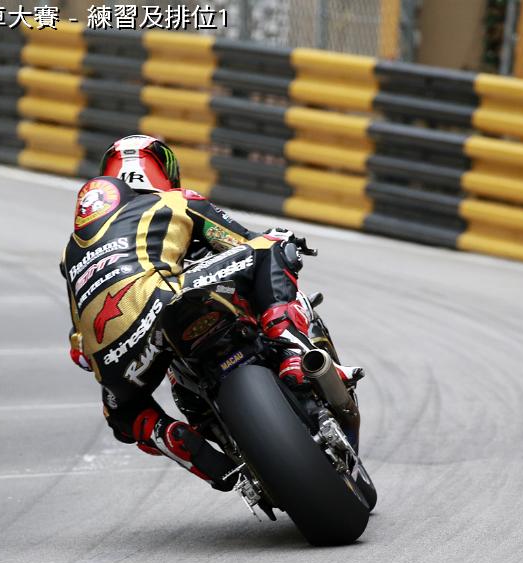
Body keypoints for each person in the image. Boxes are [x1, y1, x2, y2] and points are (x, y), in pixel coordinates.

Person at [60, 135, 359, 493]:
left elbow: (80, 351)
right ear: (164, 171)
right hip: (165, 299)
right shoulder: (175, 201)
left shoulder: (71, 252)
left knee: (122, 414)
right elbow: (242, 241)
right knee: (270, 249)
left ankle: (177, 441)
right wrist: (284, 241)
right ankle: (293, 350)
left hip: (117, 361)